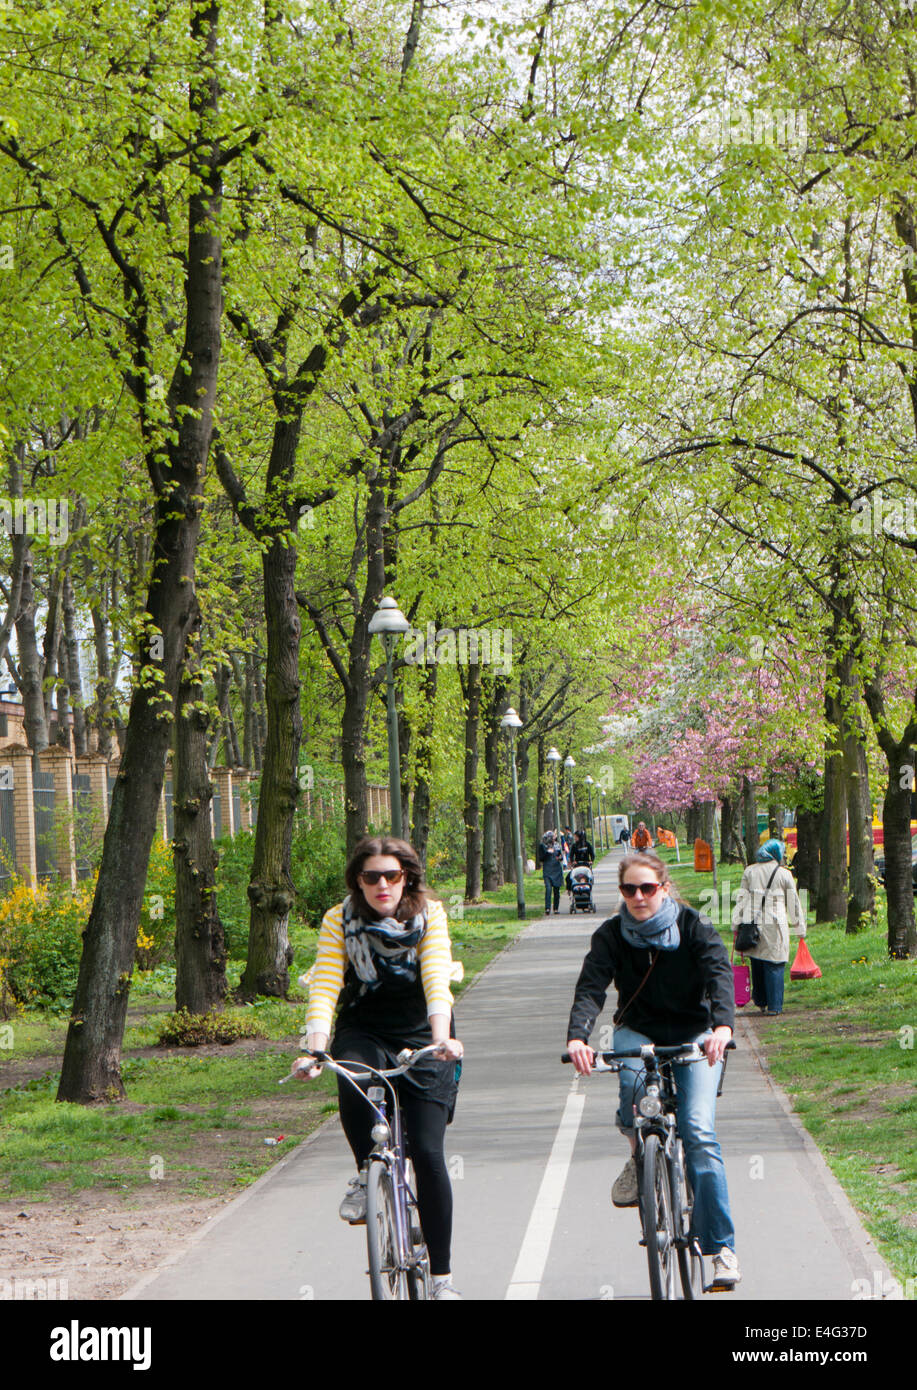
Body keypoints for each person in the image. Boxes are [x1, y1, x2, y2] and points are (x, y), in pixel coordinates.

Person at [292, 835, 464, 1300]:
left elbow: (435, 977)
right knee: (351, 1074)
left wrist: (441, 1038)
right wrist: (315, 1048)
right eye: (371, 877)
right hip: (363, 1027)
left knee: (428, 1154)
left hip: (420, 1029)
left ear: (406, 876)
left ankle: (442, 1280)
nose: (382, 884)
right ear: (358, 881)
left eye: (392, 875)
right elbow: (326, 983)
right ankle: (367, 1170)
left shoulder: (430, 915)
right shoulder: (340, 920)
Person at [565, 851, 741, 1289]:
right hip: (638, 1030)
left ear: (663, 888)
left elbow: (719, 973)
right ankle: (636, 1154)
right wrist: (577, 1037)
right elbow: (591, 987)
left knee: (698, 1132)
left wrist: (722, 1026)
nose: (639, 896)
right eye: (630, 889)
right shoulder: (610, 935)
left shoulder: (693, 926)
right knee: (630, 1091)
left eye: (647, 888)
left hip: (695, 1034)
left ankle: (720, 1249)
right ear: (621, 892)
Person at [731, 837, 806, 1016]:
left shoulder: (750, 871)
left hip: (752, 924)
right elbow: (793, 903)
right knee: (775, 963)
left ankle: (761, 1001)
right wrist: (800, 928)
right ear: (777, 854)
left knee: (757, 961)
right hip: (775, 924)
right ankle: (774, 1006)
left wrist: (736, 923)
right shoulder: (784, 874)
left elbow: (741, 898)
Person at [538, 829, 565, 915]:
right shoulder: (542, 846)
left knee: (556, 890)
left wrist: (560, 858)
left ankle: (556, 908)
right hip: (547, 870)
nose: (554, 839)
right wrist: (547, 853)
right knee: (548, 889)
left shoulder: (557, 845)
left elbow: (560, 856)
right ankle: (547, 908)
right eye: (552, 837)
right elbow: (541, 858)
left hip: (556, 870)